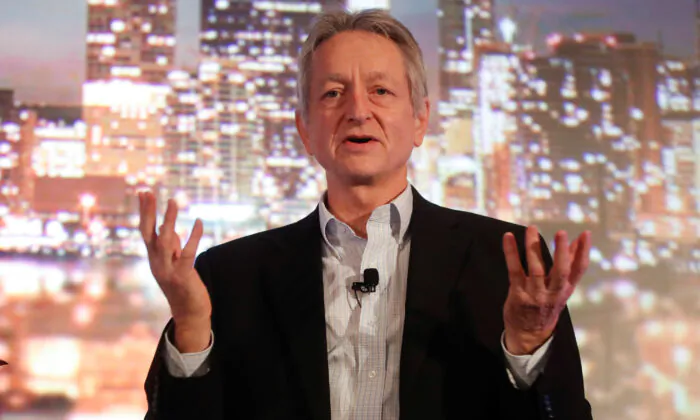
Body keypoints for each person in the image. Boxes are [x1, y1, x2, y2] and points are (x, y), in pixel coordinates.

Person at [142, 8, 592, 420]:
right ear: (304, 129)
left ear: (420, 120)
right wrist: (192, 328)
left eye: (381, 91)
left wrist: (529, 347)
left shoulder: (507, 263)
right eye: (333, 93)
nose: (358, 111)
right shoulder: (227, 277)